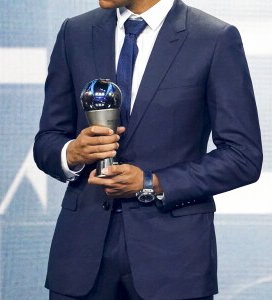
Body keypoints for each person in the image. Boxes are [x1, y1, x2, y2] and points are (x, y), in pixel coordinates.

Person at [33, 0, 263, 299]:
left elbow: (242, 156)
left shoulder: (214, 38)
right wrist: (72, 153)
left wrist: (151, 182)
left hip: (173, 259)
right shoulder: (75, 32)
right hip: (80, 256)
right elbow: (48, 139)